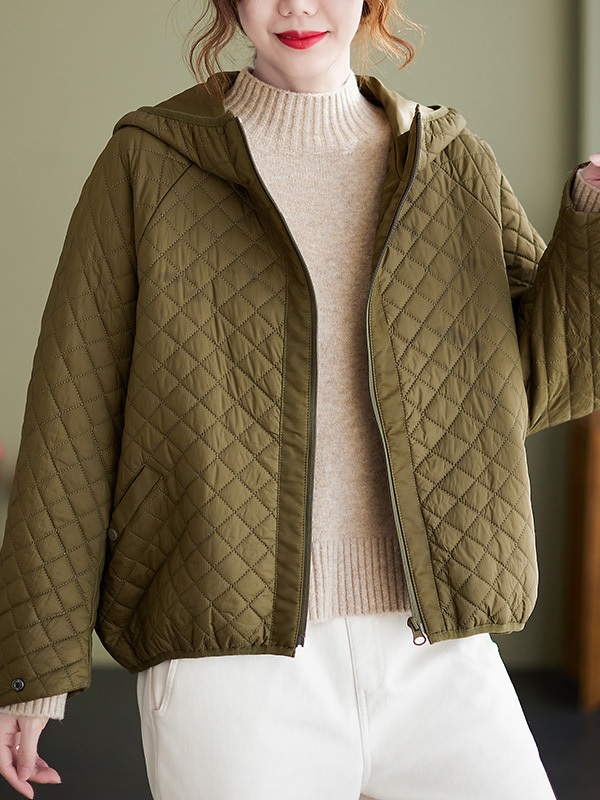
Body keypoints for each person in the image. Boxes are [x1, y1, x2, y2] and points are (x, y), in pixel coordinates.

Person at [1, 0, 599, 798]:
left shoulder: (450, 160)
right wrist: (31, 672)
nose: (296, 6)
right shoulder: (147, 163)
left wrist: (593, 216)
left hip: (437, 645)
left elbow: (539, 382)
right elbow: (70, 418)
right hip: (230, 663)